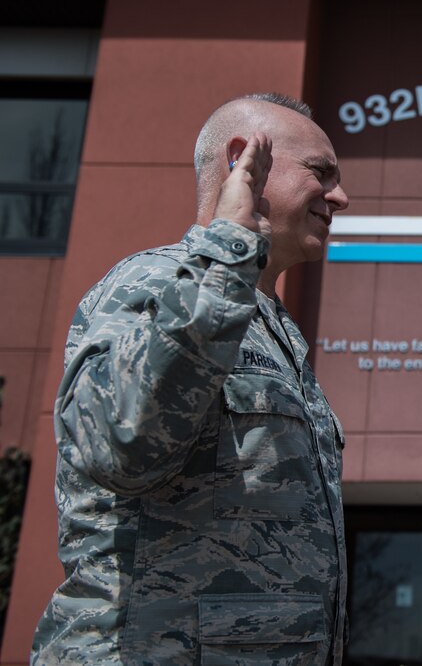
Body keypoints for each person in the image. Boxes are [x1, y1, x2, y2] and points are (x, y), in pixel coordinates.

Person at [32, 93, 350, 665]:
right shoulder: (152, 283)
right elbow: (124, 444)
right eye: (320, 174)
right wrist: (229, 244)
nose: (340, 197)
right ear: (241, 162)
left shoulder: (270, 324)